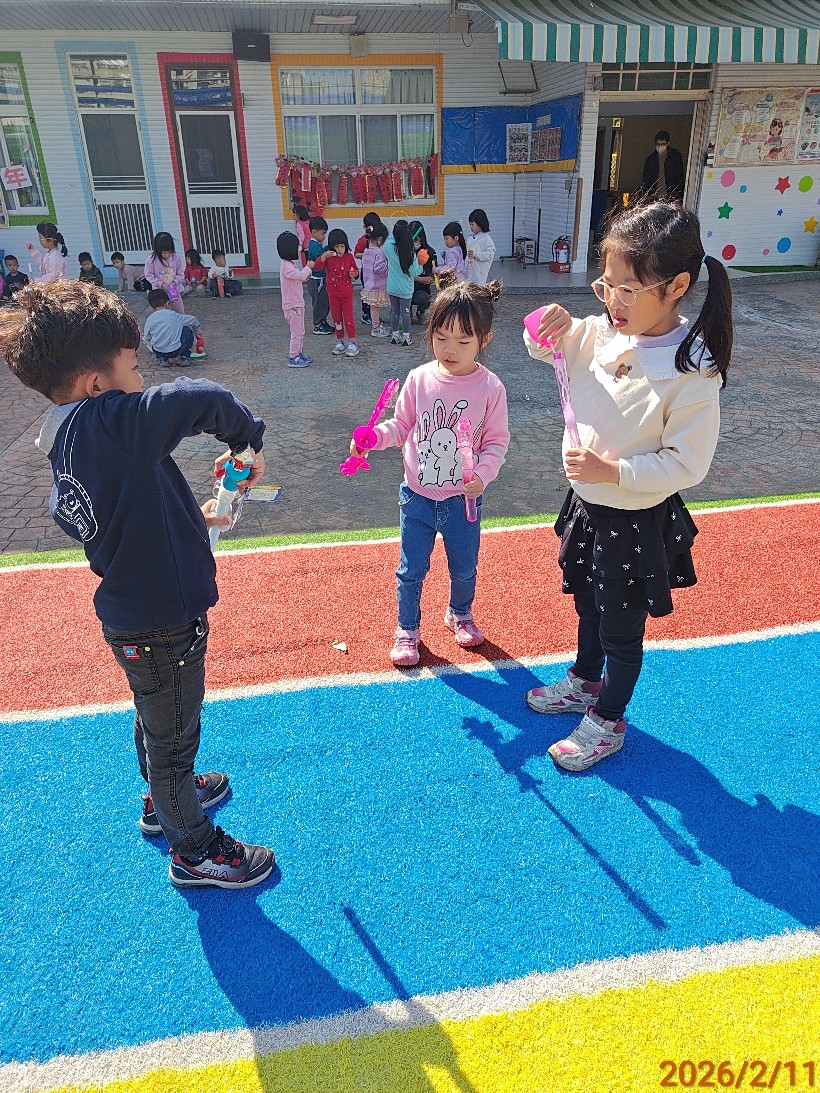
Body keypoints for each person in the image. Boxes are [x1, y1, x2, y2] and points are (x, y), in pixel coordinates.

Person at [0, 279, 275, 889]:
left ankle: (162, 797)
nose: (141, 375)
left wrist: (195, 519)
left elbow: (128, 512)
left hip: (131, 618)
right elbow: (201, 396)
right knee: (174, 734)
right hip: (164, 621)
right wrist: (246, 439)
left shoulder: (69, 440)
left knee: (157, 717)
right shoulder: (110, 422)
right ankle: (194, 848)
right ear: (96, 384)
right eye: (132, 364)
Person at [523, 200, 732, 771]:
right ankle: (584, 682)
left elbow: (687, 465)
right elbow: (544, 347)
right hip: (588, 506)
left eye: (627, 289)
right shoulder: (600, 331)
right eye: (606, 285)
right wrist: (545, 324)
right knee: (588, 604)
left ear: (677, 286)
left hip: (634, 520)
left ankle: (608, 719)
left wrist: (615, 472)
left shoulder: (692, 369)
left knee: (621, 630)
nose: (612, 300)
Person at [349, 268, 510, 667]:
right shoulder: (419, 379)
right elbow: (401, 426)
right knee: (410, 570)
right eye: (440, 337)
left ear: (484, 339)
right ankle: (407, 629)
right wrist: (373, 438)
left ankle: (460, 613)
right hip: (417, 498)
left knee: (464, 567)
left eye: (463, 340)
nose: (449, 349)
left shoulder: (490, 388)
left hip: (463, 501)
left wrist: (483, 475)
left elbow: (496, 442)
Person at [312, 228, 359, 357]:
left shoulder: (349, 257)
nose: (339, 249)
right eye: (337, 247)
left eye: (342, 246)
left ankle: (353, 342)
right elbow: (317, 267)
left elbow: (355, 272)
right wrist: (323, 256)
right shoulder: (329, 258)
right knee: (337, 319)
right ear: (332, 247)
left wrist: (354, 273)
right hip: (333, 294)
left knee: (348, 318)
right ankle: (340, 342)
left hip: (346, 294)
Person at [277, 231, 314, 368]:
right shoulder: (287, 267)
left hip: (297, 304)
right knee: (296, 333)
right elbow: (301, 276)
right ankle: (293, 356)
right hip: (292, 306)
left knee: (301, 331)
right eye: (297, 247)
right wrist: (308, 268)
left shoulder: (289, 264)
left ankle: (299, 352)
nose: (299, 249)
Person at [143, 288, 205, 367]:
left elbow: (147, 337)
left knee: (156, 339)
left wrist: (154, 346)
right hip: (176, 350)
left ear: (151, 307)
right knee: (186, 330)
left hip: (158, 350)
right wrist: (197, 333)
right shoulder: (174, 315)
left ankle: (163, 359)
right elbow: (193, 320)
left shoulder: (150, 319)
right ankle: (185, 357)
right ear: (168, 303)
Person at [385, 219, 423, 346]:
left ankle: (395, 335)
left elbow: (390, 239)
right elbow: (414, 272)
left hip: (392, 286)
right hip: (405, 288)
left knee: (394, 310)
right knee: (405, 312)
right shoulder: (410, 254)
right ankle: (406, 337)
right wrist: (421, 263)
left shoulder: (389, 246)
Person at [144, 232, 189, 314]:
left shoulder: (176, 258)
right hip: (159, 293)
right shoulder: (151, 260)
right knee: (161, 313)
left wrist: (175, 282)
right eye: (164, 253)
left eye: (170, 252)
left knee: (179, 313)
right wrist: (161, 284)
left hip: (174, 291)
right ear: (158, 250)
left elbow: (180, 273)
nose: (167, 255)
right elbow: (149, 275)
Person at [360, 221, 390, 338]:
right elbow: (379, 268)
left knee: (374, 308)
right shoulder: (379, 252)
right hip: (377, 285)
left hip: (369, 284)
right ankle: (376, 328)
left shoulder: (366, 251)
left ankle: (376, 326)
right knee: (375, 308)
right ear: (380, 239)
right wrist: (388, 265)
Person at [354, 211, 384, 325]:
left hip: (377, 272)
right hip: (367, 272)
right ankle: (366, 314)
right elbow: (356, 254)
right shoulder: (363, 240)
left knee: (376, 295)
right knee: (367, 293)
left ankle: (375, 316)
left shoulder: (380, 239)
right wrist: (368, 255)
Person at [307, 216, 334, 336]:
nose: (324, 236)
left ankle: (322, 321)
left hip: (320, 279)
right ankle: (318, 324)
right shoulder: (314, 246)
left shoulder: (316, 244)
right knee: (319, 303)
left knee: (323, 302)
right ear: (314, 232)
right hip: (317, 280)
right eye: (322, 233)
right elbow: (320, 258)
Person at [641, 130, 685, 202]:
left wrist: (677, 194)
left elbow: (679, 176)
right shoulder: (651, 159)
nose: (660, 146)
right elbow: (646, 180)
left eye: (662, 144)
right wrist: (647, 195)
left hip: (671, 196)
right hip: (654, 197)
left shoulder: (675, 156)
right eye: (658, 144)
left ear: (668, 143)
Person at [409, 220, 436, 324]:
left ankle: (421, 312)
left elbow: (432, 275)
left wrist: (430, 278)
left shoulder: (430, 252)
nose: (414, 242)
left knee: (423, 297)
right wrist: (418, 278)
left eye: (416, 239)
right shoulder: (405, 252)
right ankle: (407, 312)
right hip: (406, 288)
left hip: (421, 290)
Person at [466, 209, 496, 286]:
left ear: (480, 223)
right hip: (469, 274)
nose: (471, 227)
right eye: (470, 225)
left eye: (472, 224)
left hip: (479, 277)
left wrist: (476, 255)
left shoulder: (486, 239)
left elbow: (490, 254)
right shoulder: (470, 239)